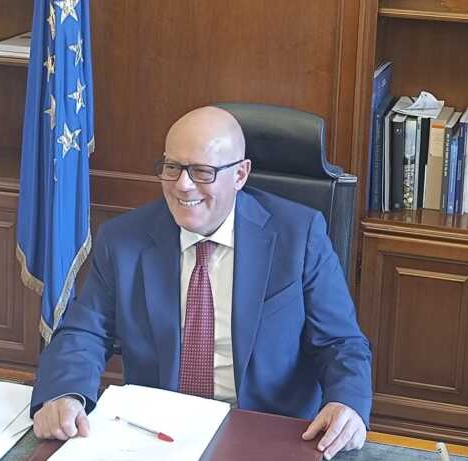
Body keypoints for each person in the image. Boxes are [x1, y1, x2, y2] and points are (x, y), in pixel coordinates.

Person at [31, 106, 372, 459]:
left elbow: (340, 341)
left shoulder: (299, 234)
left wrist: (347, 403)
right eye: (172, 167)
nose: (183, 185)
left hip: (266, 432)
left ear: (240, 174)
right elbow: (84, 331)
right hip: (156, 434)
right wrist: (64, 393)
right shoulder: (123, 239)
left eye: (202, 171)